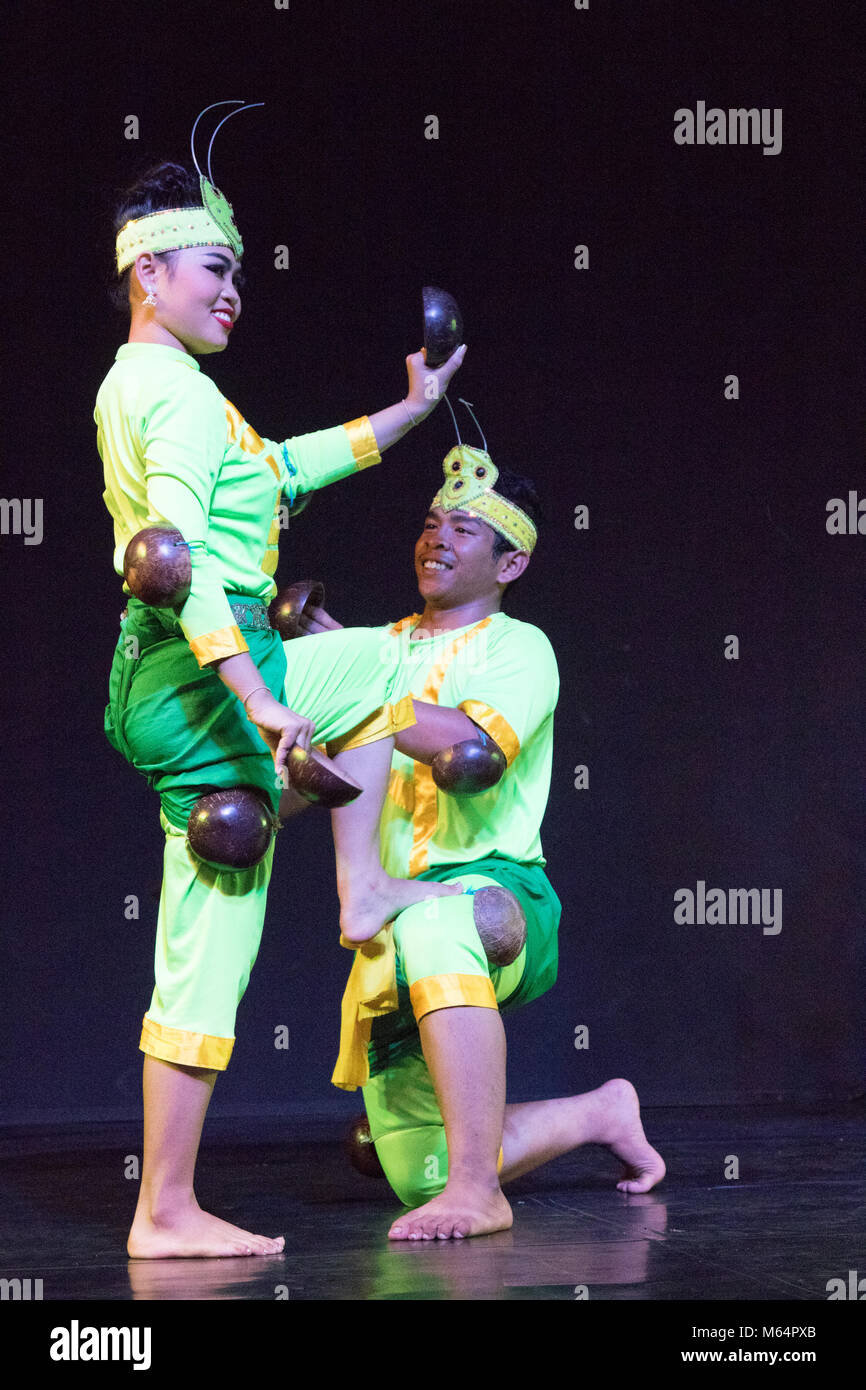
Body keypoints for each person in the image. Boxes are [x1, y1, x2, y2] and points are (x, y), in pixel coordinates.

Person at [97, 158, 466, 1258]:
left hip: (205, 669)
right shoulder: (161, 391)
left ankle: (164, 1206)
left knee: (218, 917)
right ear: (146, 273)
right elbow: (168, 561)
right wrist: (255, 694)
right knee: (378, 684)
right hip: (193, 669)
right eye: (213, 270)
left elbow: (278, 473)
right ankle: (163, 1207)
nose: (232, 292)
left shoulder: (184, 393)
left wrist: (409, 410)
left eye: (240, 276)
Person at [300, 444, 666, 1239]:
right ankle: (600, 1112)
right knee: (411, 1173)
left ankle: (479, 1193)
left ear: (512, 562)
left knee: (439, 931)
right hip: (391, 914)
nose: (438, 539)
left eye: (464, 529)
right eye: (432, 523)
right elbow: (308, 784)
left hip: (498, 896)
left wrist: (352, 685)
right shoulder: (379, 651)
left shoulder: (520, 648)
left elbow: (473, 751)